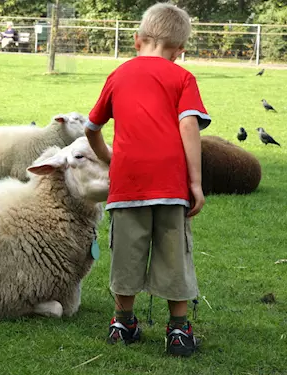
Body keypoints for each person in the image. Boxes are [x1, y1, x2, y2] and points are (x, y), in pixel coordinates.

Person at [84, 2, 211, 357]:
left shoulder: (118, 75)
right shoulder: (182, 77)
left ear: (137, 40)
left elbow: (92, 128)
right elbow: (189, 126)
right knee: (175, 252)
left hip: (128, 183)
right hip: (170, 183)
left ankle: (123, 323)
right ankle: (179, 332)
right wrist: (196, 184)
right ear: (180, 49)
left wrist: (111, 159)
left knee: (126, 249)